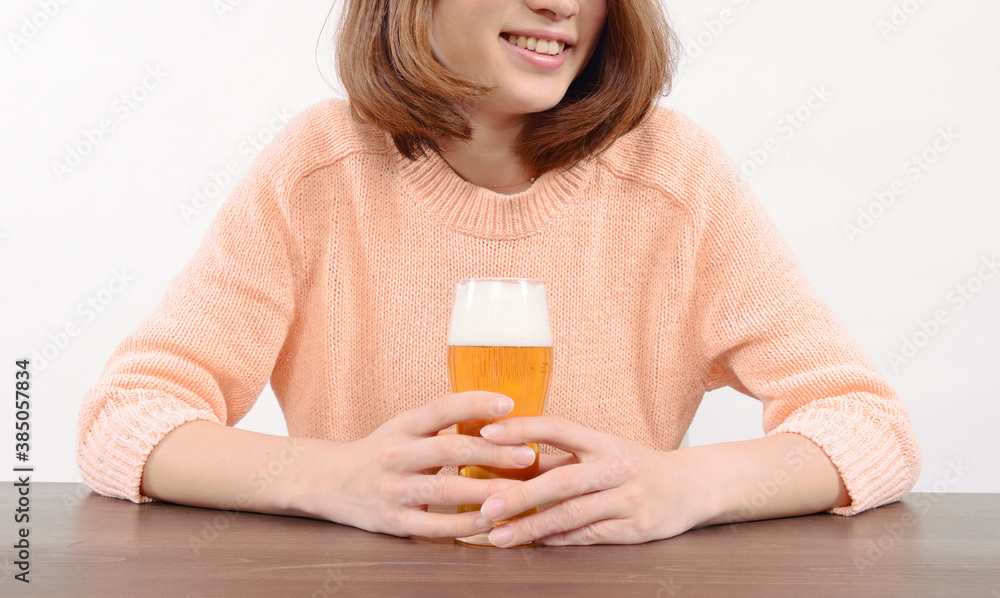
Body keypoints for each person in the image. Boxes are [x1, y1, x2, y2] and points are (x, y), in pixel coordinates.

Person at [77, 0, 921, 548]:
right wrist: (331, 478)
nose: (561, 6)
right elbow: (125, 420)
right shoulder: (320, 166)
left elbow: (869, 429)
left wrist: (682, 486)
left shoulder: (674, 176)